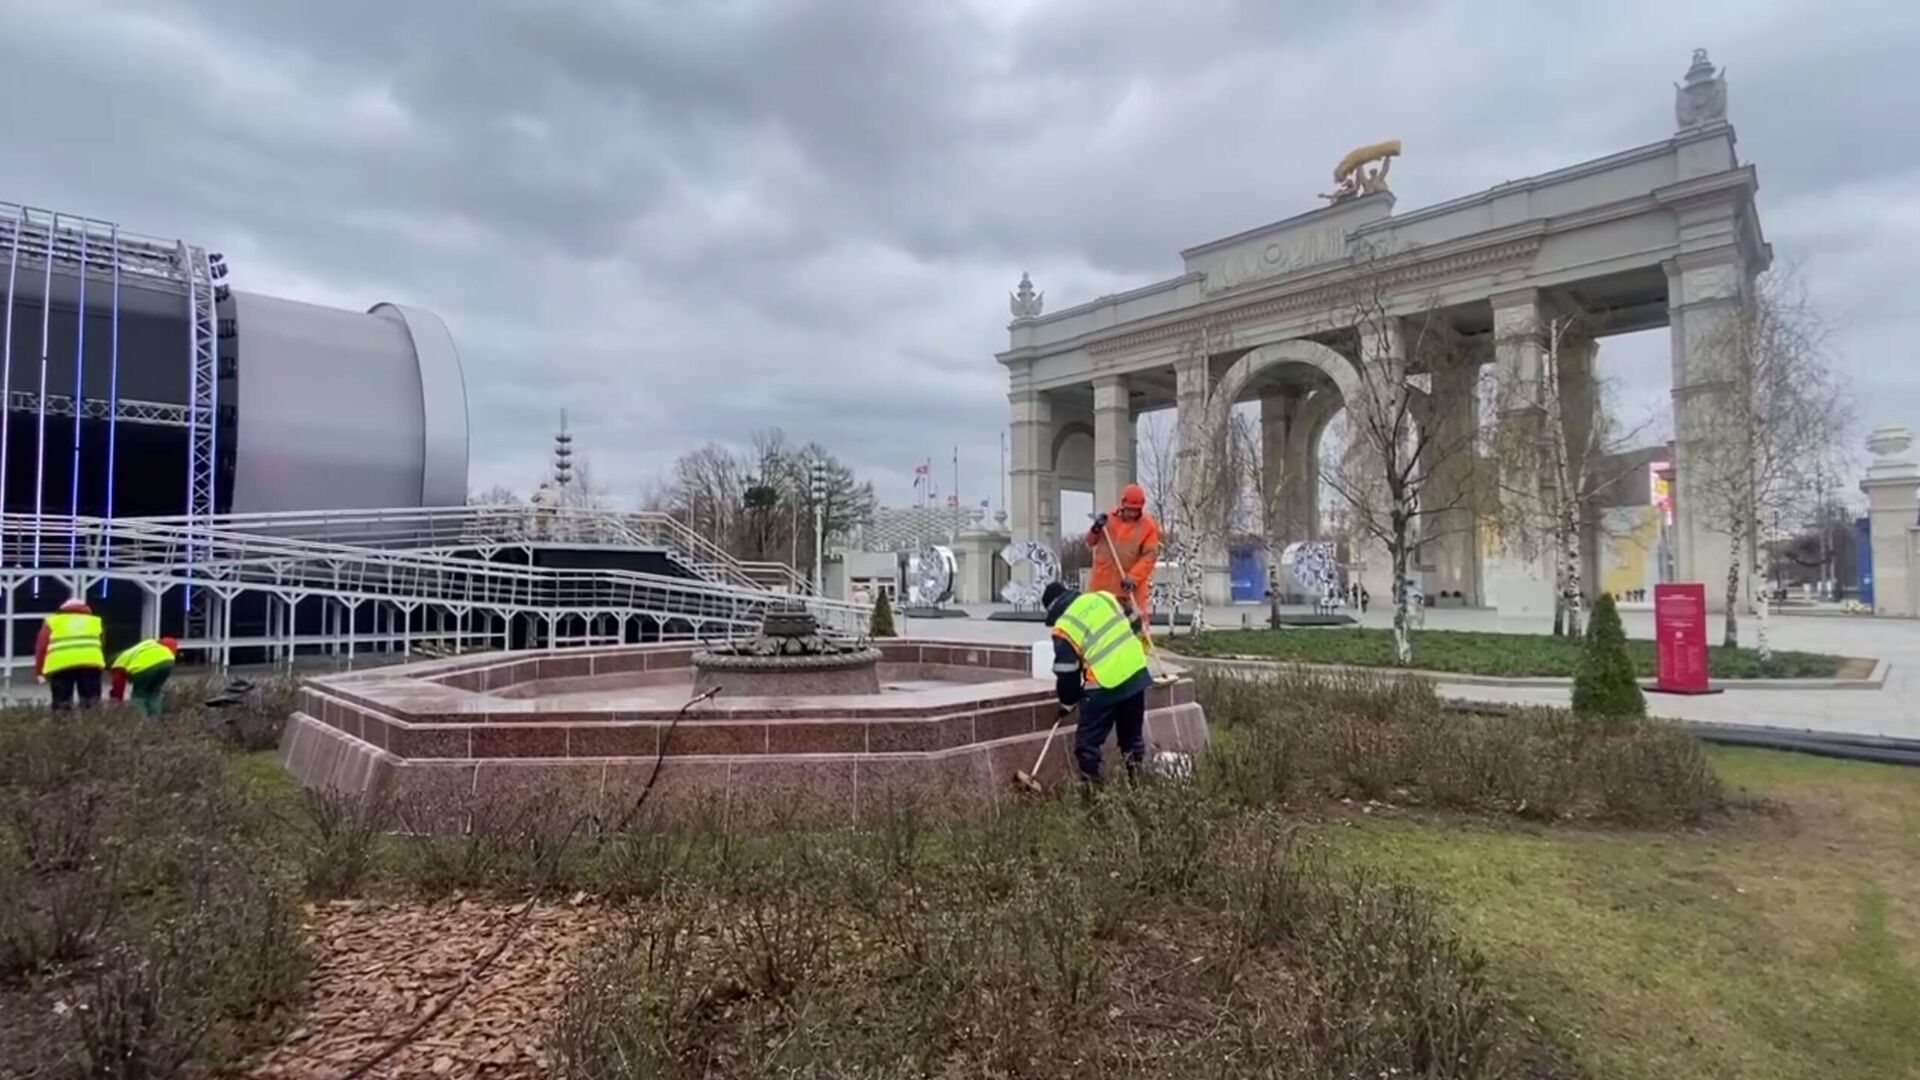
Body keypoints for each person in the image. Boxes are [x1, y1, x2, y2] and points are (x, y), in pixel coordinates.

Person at [1043, 580, 1152, 785]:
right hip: (1136, 673)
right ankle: (1139, 788)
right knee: (1132, 740)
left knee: (1087, 746)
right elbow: (1136, 621)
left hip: (1105, 685)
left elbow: (1067, 672)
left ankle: (1094, 799)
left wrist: (1067, 703)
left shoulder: (1064, 626)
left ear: (1053, 609)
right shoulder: (1103, 597)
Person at [1086, 482, 1161, 632]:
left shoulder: (1148, 527)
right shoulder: (1108, 520)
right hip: (1102, 586)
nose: (1132, 514)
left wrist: (1133, 578)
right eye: (1129, 510)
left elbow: (1150, 556)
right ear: (1122, 504)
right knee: (1098, 629)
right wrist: (1095, 529)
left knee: (1135, 631)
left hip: (1129, 590)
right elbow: (1090, 542)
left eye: (1136, 510)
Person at [34, 598, 106, 712]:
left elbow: (41, 647)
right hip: (90, 663)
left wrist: (39, 671)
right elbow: (101, 644)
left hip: (61, 665)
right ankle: (93, 727)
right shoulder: (95, 621)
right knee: (91, 703)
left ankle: (63, 727)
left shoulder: (52, 621)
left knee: (61, 703)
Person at [109, 637, 180, 717]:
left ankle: (142, 721)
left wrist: (117, 701)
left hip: (144, 667)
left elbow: (119, 686)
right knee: (154, 693)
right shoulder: (139, 649)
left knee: (139, 695)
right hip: (168, 661)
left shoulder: (118, 664)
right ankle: (155, 719)